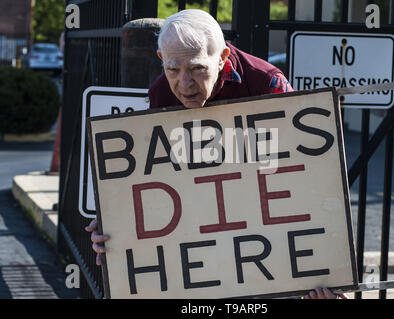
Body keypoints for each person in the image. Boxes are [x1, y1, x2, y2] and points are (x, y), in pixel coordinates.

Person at [85, 9, 346, 300]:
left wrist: (328, 270)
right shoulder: (160, 95)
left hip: (263, 252)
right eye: (173, 69)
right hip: (202, 259)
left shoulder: (267, 84)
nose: (185, 84)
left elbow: (306, 177)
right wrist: (117, 227)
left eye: (197, 68)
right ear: (161, 61)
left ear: (222, 58)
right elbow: (158, 179)